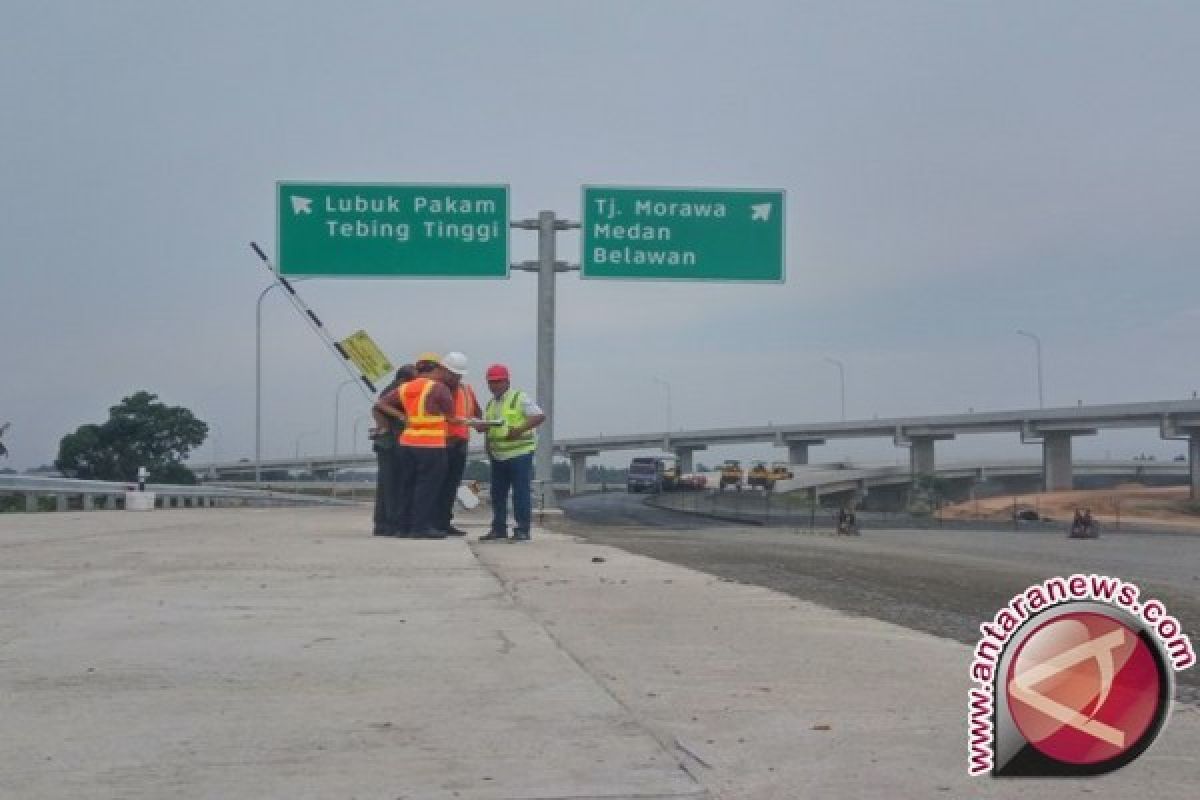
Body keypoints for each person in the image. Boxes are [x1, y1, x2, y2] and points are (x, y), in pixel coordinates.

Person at [374, 353, 461, 539]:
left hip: (408, 442)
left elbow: (381, 403)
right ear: (438, 369)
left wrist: (402, 417)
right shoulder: (440, 389)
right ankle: (421, 527)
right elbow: (451, 418)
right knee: (427, 487)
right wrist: (471, 423)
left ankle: (403, 527)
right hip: (431, 444)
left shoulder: (406, 387)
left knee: (408, 485)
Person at [476, 364, 546, 542]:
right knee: (497, 494)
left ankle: (522, 529)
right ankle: (499, 529)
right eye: (491, 382)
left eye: (498, 382)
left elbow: (539, 416)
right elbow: (492, 427)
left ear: (507, 381)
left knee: (520, 492)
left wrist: (519, 430)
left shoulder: (519, 397)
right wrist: (486, 440)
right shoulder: (491, 404)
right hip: (499, 456)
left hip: (519, 454)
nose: (494, 386)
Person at [433, 351, 481, 536]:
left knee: (451, 485)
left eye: (458, 375)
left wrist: (481, 424)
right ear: (443, 370)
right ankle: (432, 522)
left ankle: (444, 522)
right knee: (437, 485)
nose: (456, 378)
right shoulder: (434, 389)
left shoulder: (466, 390)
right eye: (453, 374)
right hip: (440, 442)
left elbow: (477, 412)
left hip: (460, 443)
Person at [369, 364, 415, 536]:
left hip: (387, 443)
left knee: (386, 485)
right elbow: (376, 408)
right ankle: (391, 523)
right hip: (389, 444)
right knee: (392, 485)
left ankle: (382, 523)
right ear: (403, 379)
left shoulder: (393, 388)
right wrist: (391, 423)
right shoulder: (396, 389)